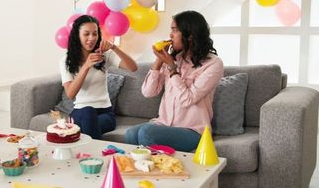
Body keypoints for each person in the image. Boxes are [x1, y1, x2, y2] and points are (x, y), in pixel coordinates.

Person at [125, 10, 224, 152]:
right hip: (164, 124)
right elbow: (148, 92)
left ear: (190, 35)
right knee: (131, 134)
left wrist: (172, 69)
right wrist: (158, 62)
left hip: (192, 131)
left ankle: (161, 172)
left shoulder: (213, 64)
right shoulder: (174, 58)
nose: (170, 35)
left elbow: (187, 100)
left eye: (174, 30)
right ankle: (142, 171)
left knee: (147, 132)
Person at [60, 15, 138, 139]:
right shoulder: (66, 60)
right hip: (80, 112)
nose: (91, 38)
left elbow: (133, 67)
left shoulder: (105, 55)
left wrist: (114, 47)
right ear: (77, 36)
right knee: (88, 112)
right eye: (86, 34)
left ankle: (88, 153)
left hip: (105, 113)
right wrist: (86, 66)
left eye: (95, 34)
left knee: (88, 123)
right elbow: (70, 94)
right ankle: (97, 154)